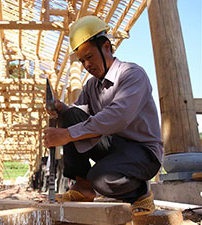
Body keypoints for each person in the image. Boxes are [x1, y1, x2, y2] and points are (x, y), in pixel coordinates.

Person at [43, 16, 163, 216]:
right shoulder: (91, 85)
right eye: (82, 61)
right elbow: (77, 114)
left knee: (101, 179)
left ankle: (140, 192)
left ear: (106, 47)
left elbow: (118, 117)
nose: (87, 65)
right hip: (114, 146)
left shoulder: (132, 75)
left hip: (143, 152)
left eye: (89, 57)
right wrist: (61, 109)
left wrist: (67, 134)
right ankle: (83, 186)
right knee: (69, 115)